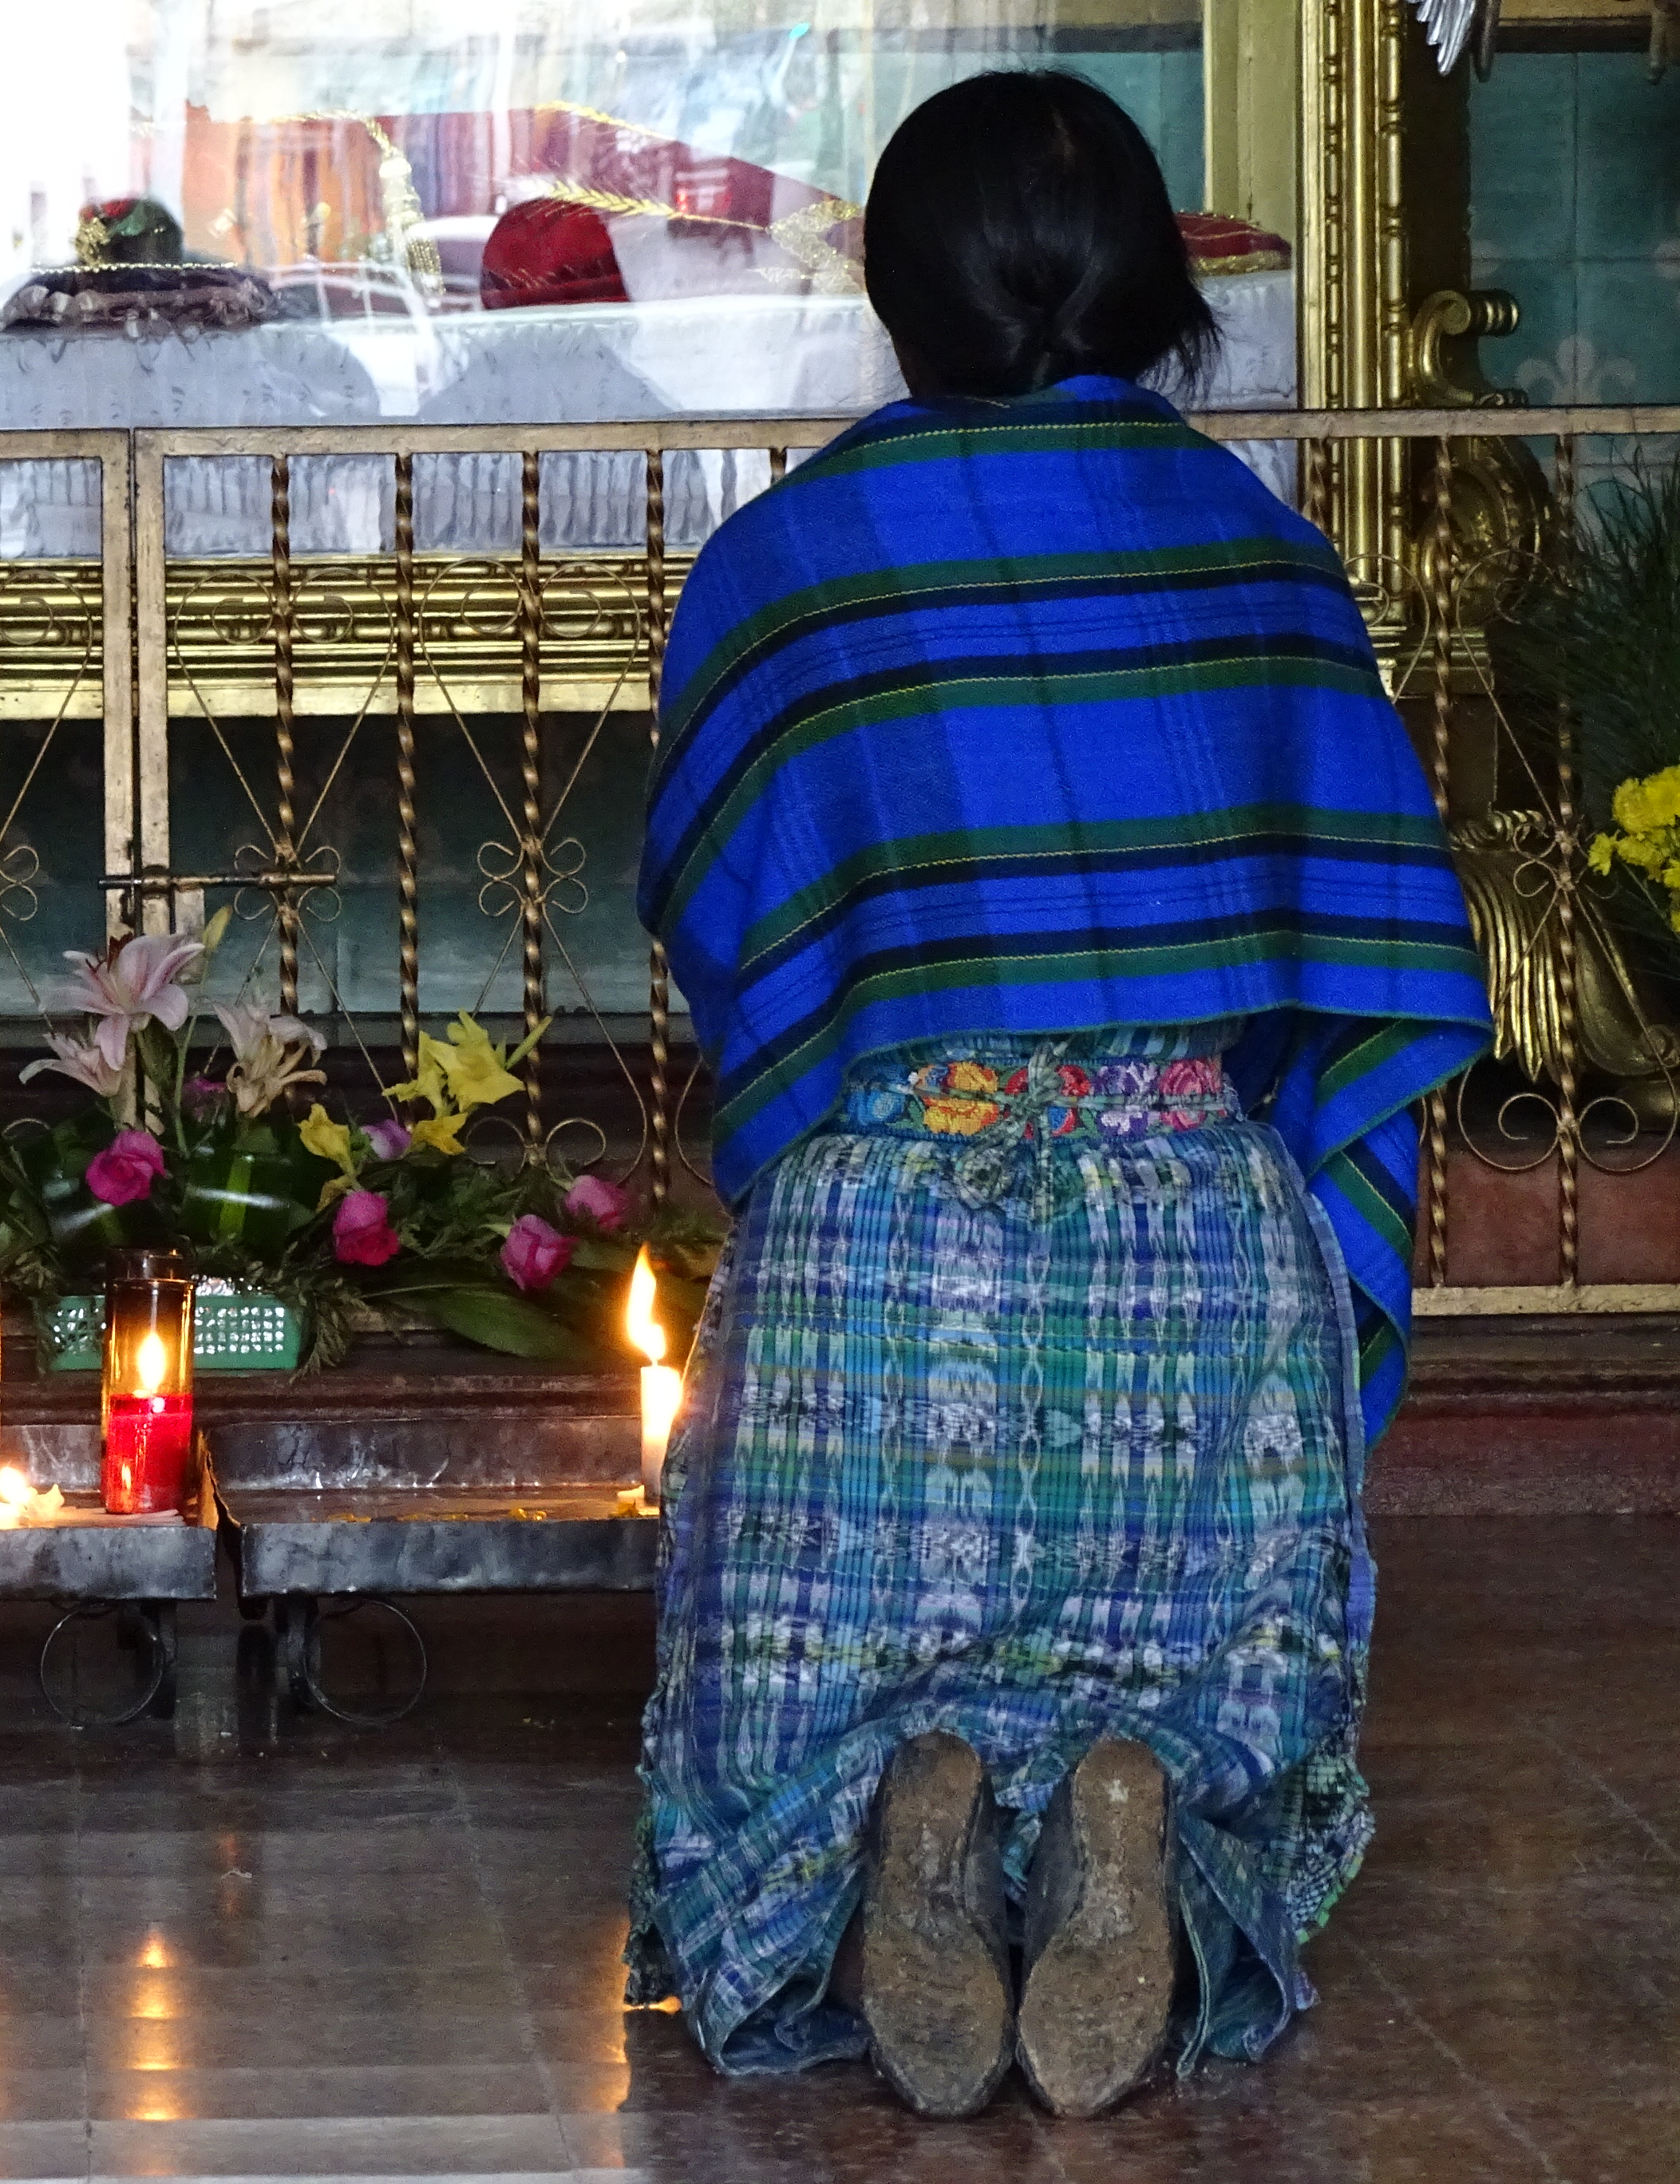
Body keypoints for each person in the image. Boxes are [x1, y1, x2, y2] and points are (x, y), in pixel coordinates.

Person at [628, 70, 1491, 2120]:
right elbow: (1356, 949)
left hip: (890, 1245)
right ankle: (1142, 1818)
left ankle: (894, 1823)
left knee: (808, 1638)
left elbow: (732, 919)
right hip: (1191, 1222)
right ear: (1153, 285)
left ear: (886, 281)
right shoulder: (1260, 555)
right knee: (1213, 1630)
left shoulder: (793, 565)